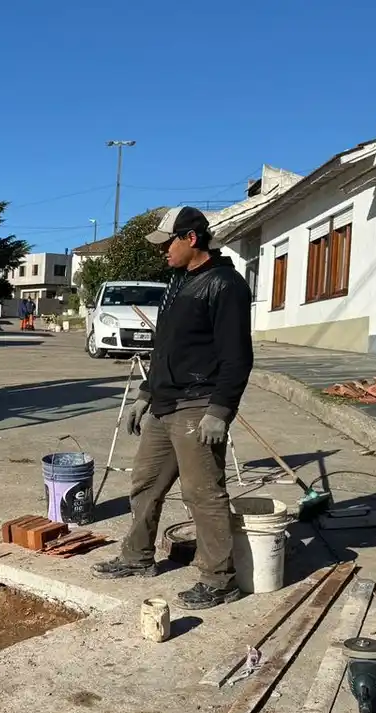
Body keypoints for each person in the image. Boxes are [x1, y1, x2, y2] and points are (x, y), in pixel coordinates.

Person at [93, 206, 254, 610]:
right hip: (164, 404)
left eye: (168, 243)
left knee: (203, 494)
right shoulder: (178, 281)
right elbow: (165, 348)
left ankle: (219, 580)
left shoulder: (225, 285)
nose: (162, 251)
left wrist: (220, 410)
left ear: (191, 239)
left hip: (197, 404)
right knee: (145, 484)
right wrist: (145, 393)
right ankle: (137, 557)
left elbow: (238, 356)